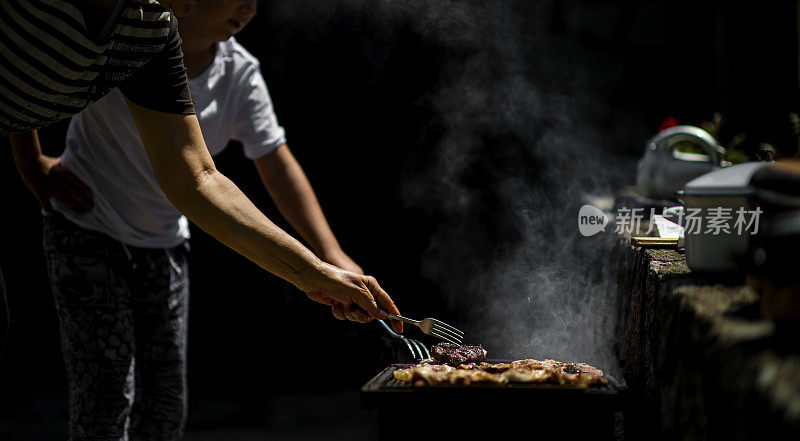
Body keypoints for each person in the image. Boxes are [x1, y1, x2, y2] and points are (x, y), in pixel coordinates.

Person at [5, 1, 403, 438]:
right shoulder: (84, 20)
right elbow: (23, 73)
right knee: (106, 401)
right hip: (87, 229)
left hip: (165, 247)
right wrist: (29, 161)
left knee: (165, 409)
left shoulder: (154, 36)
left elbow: (215, 174)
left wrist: (326, 260)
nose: (249, 7)